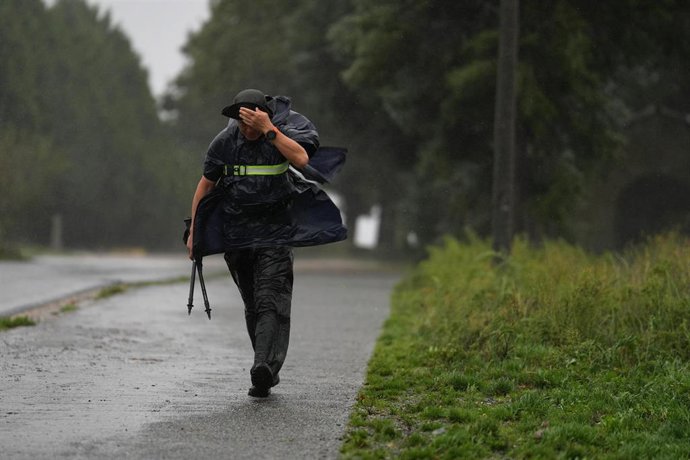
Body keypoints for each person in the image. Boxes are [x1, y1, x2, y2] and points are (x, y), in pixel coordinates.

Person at [186, 88, 344, 398]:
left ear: (263, 117)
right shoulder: (224, 143)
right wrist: (195, 232)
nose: (245, 129)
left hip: (275, 233)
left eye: (251, 122)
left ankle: (263, 369)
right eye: (241, 122)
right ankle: (265, 366)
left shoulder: (278, 135)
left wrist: (268, 131)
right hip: (238, 236)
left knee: (271, 299)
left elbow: (300, 158)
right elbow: (205, 185)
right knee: (253, 304)